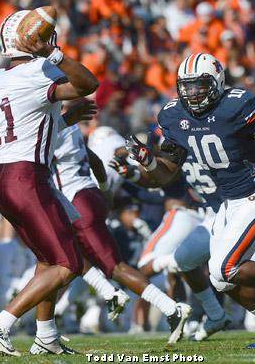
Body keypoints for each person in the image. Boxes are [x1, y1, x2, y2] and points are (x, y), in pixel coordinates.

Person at [125, 53, 255, 347]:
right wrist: (148, 162)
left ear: (216, 82)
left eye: (200, 85)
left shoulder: (235, 104)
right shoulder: (175, 115)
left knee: (226, 267)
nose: (193, 93)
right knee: (220, 278)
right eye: (187, 86)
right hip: (229, 203)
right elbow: (166, 174)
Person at [0, 9, 99, 356]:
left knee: (49, 257)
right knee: (68, 263)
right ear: (33, 41)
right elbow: (89, 85)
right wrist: (53, 54)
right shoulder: (37, 71)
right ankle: (0, 324)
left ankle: (46, 336)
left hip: (2, 177)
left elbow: (29, 122)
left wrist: (63, 119)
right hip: (27, 177)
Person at [51, 124, 192, 344]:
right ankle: (52, 323)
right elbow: (101, 163)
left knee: (108, 266)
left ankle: (168, 308)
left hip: (79, 201)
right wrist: (107, 192)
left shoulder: (54, 131)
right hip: (89, 199)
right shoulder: (74, 131)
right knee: (70, 258)